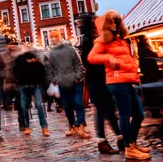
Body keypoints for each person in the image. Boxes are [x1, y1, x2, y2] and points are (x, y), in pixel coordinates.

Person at [88, 10, 151, 160]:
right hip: (116, 81)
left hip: (127, 80)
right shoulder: (102, 40)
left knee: (139, 115)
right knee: (125, 115)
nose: (114, 24)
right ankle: (129, 148)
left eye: (116, 21)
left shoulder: (120, 39)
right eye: (111, 22)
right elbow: (92, 57)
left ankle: (132, 144)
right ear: (105, 25)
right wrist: (108, 57)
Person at [79, 14, 123, 154]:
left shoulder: (99, 38)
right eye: (93, 21)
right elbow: (89, 61)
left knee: (109, 111)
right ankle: (102, 141)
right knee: (102, 110)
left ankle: (119, 138)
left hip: (104, 78)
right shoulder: (87, 41)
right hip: (96, 81)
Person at [47, 30, 90, 139]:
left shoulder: (70, 50)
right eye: (51, 37)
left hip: (74, 81)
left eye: (55, 36)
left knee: (78, 103)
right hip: (62, 83)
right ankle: (72, 125)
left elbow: (78, 64)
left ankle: (81, 124)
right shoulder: (51, 53)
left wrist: (77, 77)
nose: (53, 39)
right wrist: (55, 79)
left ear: (60, 37)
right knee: (67, 105)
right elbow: (50, 69)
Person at [14, 45, 50, 136]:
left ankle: (44, 127)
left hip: (35, 84)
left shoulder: (35, 58)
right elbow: (16, 71)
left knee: (39, 105)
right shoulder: (19, 59)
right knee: (24, 106)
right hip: (24, 85)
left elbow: (42, 70)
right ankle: (27, 127)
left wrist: (40, 80)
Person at [1, 38, 24, 131]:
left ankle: (22, 122)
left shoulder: (20, 54)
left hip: (18, 82)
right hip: (8, 82)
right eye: (10, 44)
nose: (12, 46)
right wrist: (3, 76)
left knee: (20, 104)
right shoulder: (3, 55)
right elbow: (1, 68)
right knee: (7, 102)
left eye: (14, 44)